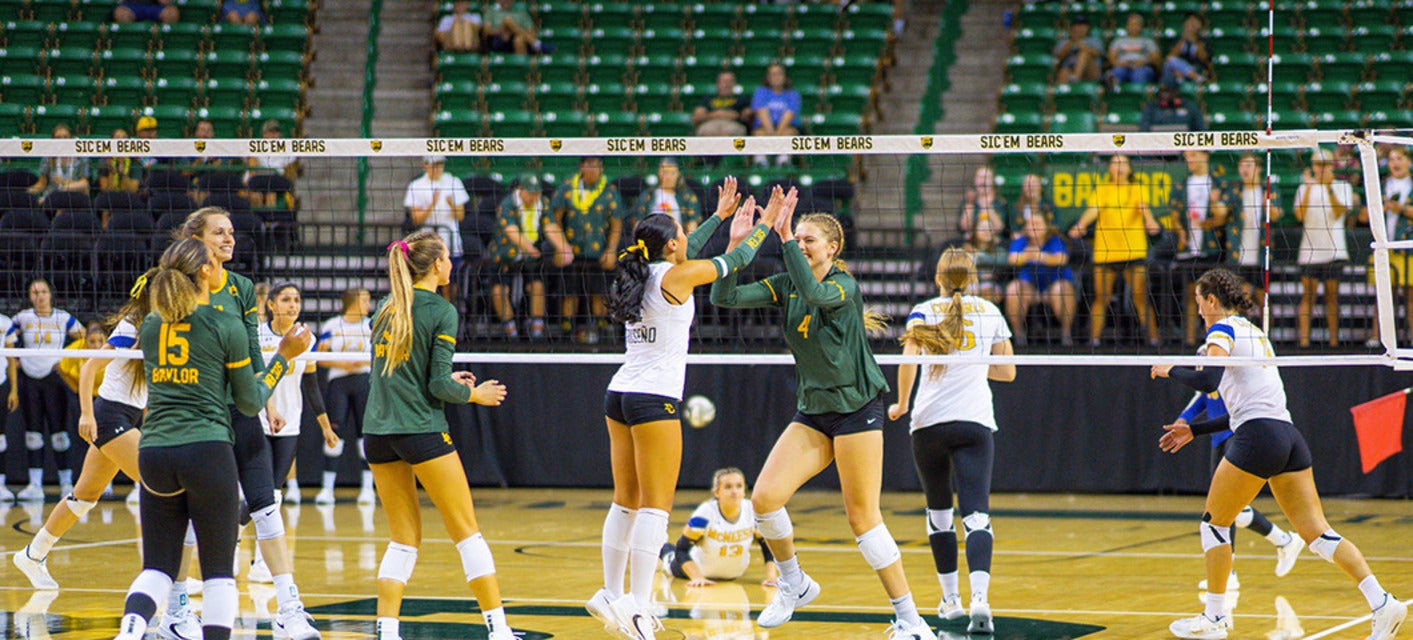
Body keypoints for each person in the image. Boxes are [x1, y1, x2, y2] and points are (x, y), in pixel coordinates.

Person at [711, 211, 938, 639]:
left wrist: (783, 240)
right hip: (814, 409)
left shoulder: (843, 285)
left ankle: (911, 619)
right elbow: (724, 298)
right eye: (797, 237)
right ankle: (793, 581)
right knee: (763, 499)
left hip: (857, 407)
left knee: (862, 519)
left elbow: (815, 293)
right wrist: (734, 248)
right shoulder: (784, 284)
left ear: (832, 248)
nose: (799, 243)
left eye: (808, 239)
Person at [1152, 268, 1406, 640]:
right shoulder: (1255, 334)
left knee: (1214, 523)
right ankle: (1383, 602)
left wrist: (1170, 368)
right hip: (1287, 437)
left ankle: (1215, 618)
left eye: (1198, 302)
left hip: (1258, 436)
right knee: (1318, 534)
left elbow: (1208, 381)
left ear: (1210, 300)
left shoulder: (1221, 330)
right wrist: (1195, 428)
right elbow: (1243, 409)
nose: (1199, 310)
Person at [586, 179, 778, 640]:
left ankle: (611, 594)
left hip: (619, 395)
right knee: (656, 507)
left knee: (625, 501)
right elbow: (737, 260)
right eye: (682, 234)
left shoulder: (641, 273)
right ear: (671, 244)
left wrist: (720, 215)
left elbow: (688, 245)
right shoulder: (678, 276)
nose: (687, 238)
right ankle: (638, 605)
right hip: (654, 399)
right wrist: (766, 223)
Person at [110, 238, 309, 640]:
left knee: (156, 569)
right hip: (206, 448)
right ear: (204, 271)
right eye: (215, 262)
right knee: (219, 574)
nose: (223, 266)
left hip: (154, 451)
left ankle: (130, 632)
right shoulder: (225, 325)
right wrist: (284, 358)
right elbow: (250, 401)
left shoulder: (150, 326)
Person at [178, 207, 322, 639]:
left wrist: (265, 401)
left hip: (241, 407)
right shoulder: (175, 288)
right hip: (199, 414)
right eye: (219, 232)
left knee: (264, 500)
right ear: (196, 238)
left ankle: (288, 607)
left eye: (231, 232)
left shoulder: (240, 287)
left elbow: (254, 358)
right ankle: (177, 606)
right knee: (191, 511)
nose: (229, 238)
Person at [364, 230, 515, 640]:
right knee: (466, 531)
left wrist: (448, 379)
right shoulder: (441, 310)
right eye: (448, 257)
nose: (452, 263)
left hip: (377, 433)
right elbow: (436, 388)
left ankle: (387, 631)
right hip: (421, 429)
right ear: (436, 265)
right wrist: (473, 394)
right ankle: (499, 630)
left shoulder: (385, 307)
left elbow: (400, 373)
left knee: (403, 540)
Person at [888, 248, 1015, 635]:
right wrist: (973, 363)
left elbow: (908, 361)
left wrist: (901, 403)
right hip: (975, 422)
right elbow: (1008, 372)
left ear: (938, 278)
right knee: (977, 515)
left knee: (939, 515)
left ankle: (950, 601)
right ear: (972, 278)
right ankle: (981, 599)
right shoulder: (991, 312)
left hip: (928, 425)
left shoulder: (924, 311)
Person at [12, 270, 154, 590]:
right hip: (110, 415)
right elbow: (90, 366)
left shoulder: (161, 328)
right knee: (158, 484)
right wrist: (86, 414)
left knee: (84, 497)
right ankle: (166, 575)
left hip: (128, 415)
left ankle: (33, 555)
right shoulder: (131, 326)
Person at [1170, 359, 1304, 594]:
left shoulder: (1232, 347)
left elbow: (1210, 383)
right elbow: (1205, 393)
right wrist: (1185, 418)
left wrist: (1169, 370)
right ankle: (1283, 540)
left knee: (1223, 511)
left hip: (1239, 431)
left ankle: (1230, 572)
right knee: (1227, 508)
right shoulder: (1208, 349)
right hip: (1219, 436)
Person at [249, 283, 339, 577]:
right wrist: (268, 408)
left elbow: (311, 385)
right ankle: (231, 541)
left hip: (291, 423)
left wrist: (325, 427)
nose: (293, 305)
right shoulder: (256, 335)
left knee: (274, 493)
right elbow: (256, 378)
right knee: (259, 493)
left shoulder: (305, 338)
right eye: (286, 300)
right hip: (257, 419)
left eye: (297, 300)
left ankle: (259, 561)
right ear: (271, 305)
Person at [4, 278, 86, 502]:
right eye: (34, 292)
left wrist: (67, 361)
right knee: (33, 435)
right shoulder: (22, 317)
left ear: (50, 294)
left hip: (54, 379)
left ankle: (66, 484)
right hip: (30, 380)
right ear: (30, 296)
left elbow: (85, 337)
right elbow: (7, 338)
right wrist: (16, 359)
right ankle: (35, 485)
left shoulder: (62, 317)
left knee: (60, 434)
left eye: (43, 291)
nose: (39, 296)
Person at [1069, 154, 1162, 346]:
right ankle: (1093, 341)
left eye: (1122, 164)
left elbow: (1143, 208)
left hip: (1133, 250)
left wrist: (1150, 221)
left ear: (1129, 168)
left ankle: (1154, 340)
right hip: (1106, 252)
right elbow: (1093, 210)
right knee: (1100, 298)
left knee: (1140, 297)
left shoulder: (1137, 188)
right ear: (1110, 168)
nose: (1118, 167)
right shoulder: (1103, 190)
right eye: (1114, 164)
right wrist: (1082, 224)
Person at [657, 467, 780, 588]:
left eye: (739, 486)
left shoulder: (752, 512)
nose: (734, 491)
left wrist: (771, 577)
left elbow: (768, 548)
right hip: (698, 568)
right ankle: (661, 548)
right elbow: (681, 550)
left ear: (744, 490)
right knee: (668, 552)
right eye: (728, 487)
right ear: (716, 492)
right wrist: (696, 577)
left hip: (734, 574)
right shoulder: (705, 513)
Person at [548, 156, 626, 344]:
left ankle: (600, 328)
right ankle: (567, 330)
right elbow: (555, 218)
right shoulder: (568, 187)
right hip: (572, 251)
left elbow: (616, 223)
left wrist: (611, 249)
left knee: (599, 291)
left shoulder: (609, 190)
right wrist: (560, 245)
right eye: (589, 164)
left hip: (598, 251)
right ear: (582, 167)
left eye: (597, 165)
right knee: (569, 291)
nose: (592, 169)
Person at [1171, 150, 1238, 346]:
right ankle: (1191, 343)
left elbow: (1222, 216)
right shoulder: (1181, 185)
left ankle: (1216, 341)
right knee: (1193, 297)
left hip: (1212, 249)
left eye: (1193, 155)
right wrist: (1180, 230)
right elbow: (1175, 216)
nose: (1189, 159)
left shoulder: (1219, 183)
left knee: (1214, 299)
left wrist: (1213, 208)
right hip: (1189, 250)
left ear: (1205, 155)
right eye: (1186, 156)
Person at [316, 288, 375, 505]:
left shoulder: (370, 324)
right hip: (338, 382)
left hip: (363, 381)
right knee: (334, 434)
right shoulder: (332, 325)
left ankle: (367, 488)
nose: (368, 305)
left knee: (365, 435)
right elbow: (320, 357)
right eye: (365, 300)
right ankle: (327, 489)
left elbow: (379, 354)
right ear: (353, 302)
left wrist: (361, 362)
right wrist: (343, 363)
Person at [1295, 149, 1354, 348]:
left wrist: (1328, 188)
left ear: (1332, 166)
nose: (1321, 168)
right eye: (1318, 164)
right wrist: (1310, 187)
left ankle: (1334, 343)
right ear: (1312, 166)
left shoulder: (1342, 186)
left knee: (1332, 297)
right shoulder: (1304, 188)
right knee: (1307, 297)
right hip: (1309, 251)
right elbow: (1299, 216)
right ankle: (1304, 343)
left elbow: (1339, 213)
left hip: (1334, 251)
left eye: (1325, 164)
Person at [489, 174, 550, 340]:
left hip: (529, 259)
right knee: (499, 290)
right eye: (531, 193)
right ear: (520, 190)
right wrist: (529, 248)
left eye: (537, 193)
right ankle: (511, 332)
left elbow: (551, 226)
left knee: (537, 286)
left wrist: (564, 247)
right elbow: (511, 232)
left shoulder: (542, 203)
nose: (534, 197)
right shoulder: (508, 204)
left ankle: (537, 332)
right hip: (504, 256)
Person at [1224, 153, 1282, 326]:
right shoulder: (1234, 190)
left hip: (1261, 254)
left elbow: (1277, 215)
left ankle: (1267, 336)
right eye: (1242, 165)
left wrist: (1268, 205)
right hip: (1238, 254)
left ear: (1258, 169)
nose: (1244, 169)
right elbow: (1221, 212)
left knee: (1262, 298)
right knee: (1242, 297)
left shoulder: (1268, 189)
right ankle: (1243, 334)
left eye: (1248, 165)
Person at [403, 155, 471, 302]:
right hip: (427, 246)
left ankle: (448, 318)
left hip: (450, 244)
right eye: (434, 165)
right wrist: (432, 204)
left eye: (440, 164)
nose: (437, 168)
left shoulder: (453, 181)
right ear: (425, 165)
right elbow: (416, 219)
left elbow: (461, 215)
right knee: (426, 283)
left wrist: (451, 204)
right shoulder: (416, 185)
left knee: (450, 284)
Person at [1005, 215, 1077, 346]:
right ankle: (1019, 335)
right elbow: (1012, 259)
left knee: (1062, 289)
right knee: (1013, 288)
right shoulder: (1021, 241)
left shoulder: (1055, 241)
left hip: (1054, 286)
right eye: (1030, 224)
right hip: (1030, 288)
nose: (1034, 227)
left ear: (1046, 226)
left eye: (1038, 223)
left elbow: (1061, 259)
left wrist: (1037, 255)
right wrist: (1032, 256)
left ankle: (1066, 334)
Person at [1367, 146, 1413, 346]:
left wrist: (1400, 208)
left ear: (1408, 161)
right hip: (1385, 249)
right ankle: (1377, 338)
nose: (1395, 163)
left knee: (1411, 299)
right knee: (1384, 298)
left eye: (1400, 158)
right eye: (1392, 159)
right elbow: (1362, 215)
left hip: (1408, 250)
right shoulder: (1380, 185)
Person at [632, 158, 702, 234]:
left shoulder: (687, 197)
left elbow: (692, 223)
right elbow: (638, 222)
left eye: (672, 173)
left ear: (678, 174)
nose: (668, 177)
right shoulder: (648, 195)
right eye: (665, 172)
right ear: (659, 173)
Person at [750, 63, 802, 167]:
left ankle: (783, 161)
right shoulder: (760, 92)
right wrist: (771, 133)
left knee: (789, 133)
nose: (776, 77)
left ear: (785, 76)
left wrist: (777, 135)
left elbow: (789, 115)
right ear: (768, 77)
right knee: (759, 133)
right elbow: (762, 113)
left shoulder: (793, 94)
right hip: (765, 127)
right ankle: (760, 162)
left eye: (779, 74)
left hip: (786, 127)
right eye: (773, 74)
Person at [28, 124, 91, 200]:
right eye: (58, 138)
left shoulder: (81, 157)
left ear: (71, 139)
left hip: (74, 194)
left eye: (65, 137)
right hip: (52, 196)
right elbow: (42, 183)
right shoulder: (48, 157)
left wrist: (63, 183)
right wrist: (28, 192)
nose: (62, 140)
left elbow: (84, 182)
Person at [246, 120, 299, 209]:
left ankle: (270, 220)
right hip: (260, 178)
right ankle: (259, 219)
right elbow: (252, 168)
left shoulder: (287, 148)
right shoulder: (255, 147)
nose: (274, 135)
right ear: (264, 134)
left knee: (271, 193)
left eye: (276, 132)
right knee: (255, 195)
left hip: (277, 179)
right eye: (271, 132)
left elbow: (290, 170)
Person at [693, 71, 753, 137]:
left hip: (733, 124)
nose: (726, 85)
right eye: (723, 82)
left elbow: (747, 116)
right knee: (707, 131)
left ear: (734, 83)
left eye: (729, 82)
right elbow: (697, 116)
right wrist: (718, 115)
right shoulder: (708, 99)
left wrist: (736, 116)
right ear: (718, 84)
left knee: (729, 131)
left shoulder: (742, 99)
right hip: (711, 123)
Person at [957, 165, 1011, 240]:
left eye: (987, 177)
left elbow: (999, 228)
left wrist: (987, 206)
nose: (983, 180)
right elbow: (964, 227)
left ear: (992, 181)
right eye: (980, 177)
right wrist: (970, 204)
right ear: (975, 180)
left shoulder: (1001, 203)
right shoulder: (968, 202)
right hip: (972, 243)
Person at [1107, 13, 1160, 85]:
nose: (1134, 27)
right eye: (1131, 25)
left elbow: (1156, 58)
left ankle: (1138, 95)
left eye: (1136, 25)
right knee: (1116, 73)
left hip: (1142, 67)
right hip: (1122, 66)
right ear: (1127, 26)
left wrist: (1144, 61)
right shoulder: (1118, 41)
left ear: (1141, 27)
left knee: (1139, 74)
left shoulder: (1148, 41)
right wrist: (1119, 64)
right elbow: (1111, 57)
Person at [1161, 12, 1212, 85]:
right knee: (1170, 63)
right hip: (1177, 71)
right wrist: (1184, 38)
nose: (1191, 24)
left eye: (1194, 22)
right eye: (1189, 21)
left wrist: (1193, 40)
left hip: (1197, 68)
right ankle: (1195, 77)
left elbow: (1204, 58)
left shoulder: (1203, 41)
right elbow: (1171, 56)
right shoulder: (1178, 39)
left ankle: (1189, 77)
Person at [1139, 80, 1206, 132]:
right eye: (1162, 91)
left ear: (1175, 92)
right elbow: (1144, 130)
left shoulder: (1189, 107)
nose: (1164, 95)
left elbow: (1201, 129)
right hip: (1159, 145)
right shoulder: (1151, 107)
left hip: (1185, 147)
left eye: (1167, 91)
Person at [1052, 14, 1103, 84]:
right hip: (1069, 69)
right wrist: (1071, 41)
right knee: (1063, 71)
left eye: (1083, 26)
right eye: (1078, 25)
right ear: (1072, 28)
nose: (1081, 28)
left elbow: (1096, 53)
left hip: (1091, 71)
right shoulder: (1065, 41)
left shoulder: (1094, 40)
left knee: (1084, 53)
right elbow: (1059, 57)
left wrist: (1079, 43)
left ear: (1088, 28)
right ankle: (1063, 92)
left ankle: (1075, 78)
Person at [99, 128, 142, 193]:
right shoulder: (105, 161)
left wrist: (123, 175)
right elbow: (105, 189)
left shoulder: (134, 162)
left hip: (128, 196)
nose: (121, 141)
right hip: (109, 196)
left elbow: (133, 190)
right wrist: (112, 172)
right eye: (117, 138)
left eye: (124, 138)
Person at [0, 310, 12, 502]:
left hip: (1, 383)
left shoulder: (5, 321)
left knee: (0, 438)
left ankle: (0, 485)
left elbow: (11, 357)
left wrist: (15, 390)